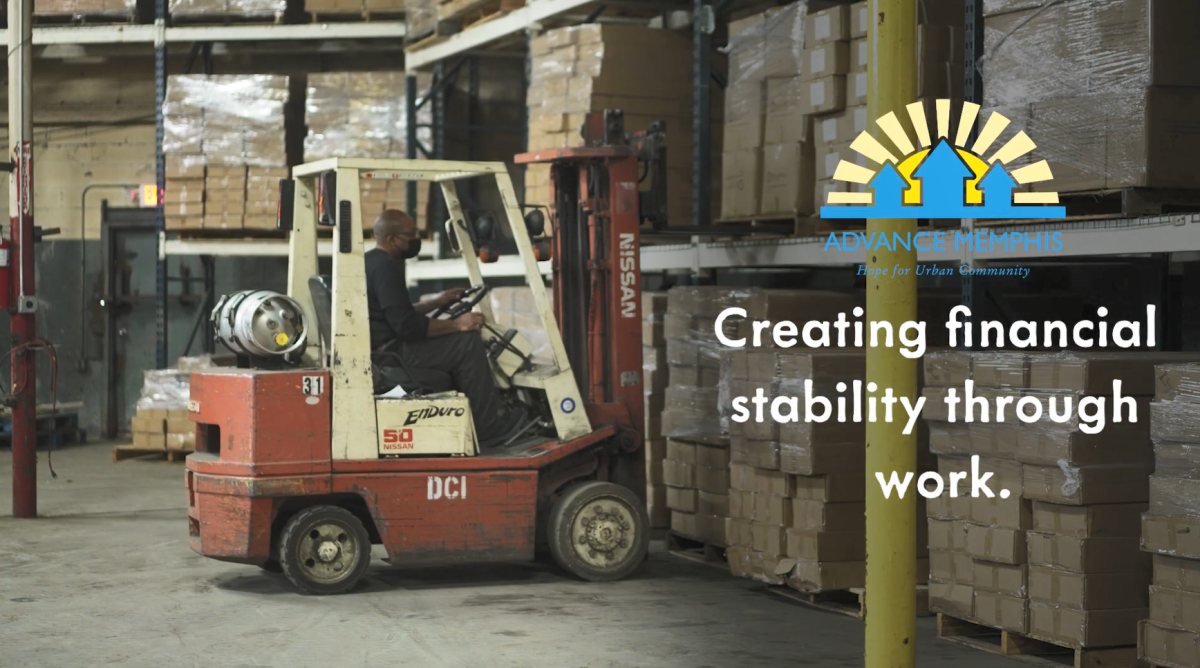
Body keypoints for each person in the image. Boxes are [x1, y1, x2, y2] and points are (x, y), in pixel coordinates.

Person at [365, 209, 525, 448]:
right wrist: (458, 324)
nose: (416, 238)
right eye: (410, 234)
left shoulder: (371, 262)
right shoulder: (386, 268)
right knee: (467, 342)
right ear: (391, 239)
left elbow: (395, 312)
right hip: (392, 353)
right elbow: (407, 327)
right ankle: (489, 428)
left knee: (458, 336)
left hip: (385, 346)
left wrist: (436, 302)